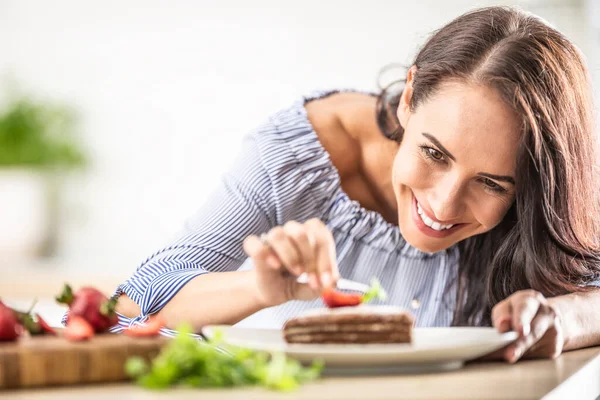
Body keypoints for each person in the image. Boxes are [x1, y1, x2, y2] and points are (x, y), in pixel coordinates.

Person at [115, 6, 600, 363]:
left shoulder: (545, 197)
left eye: (492, 184)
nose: (443, 203)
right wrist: (261, 288)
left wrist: (564, 316)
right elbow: (136, 301)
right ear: (410, 97)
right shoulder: (296, 155)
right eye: (434, 153)